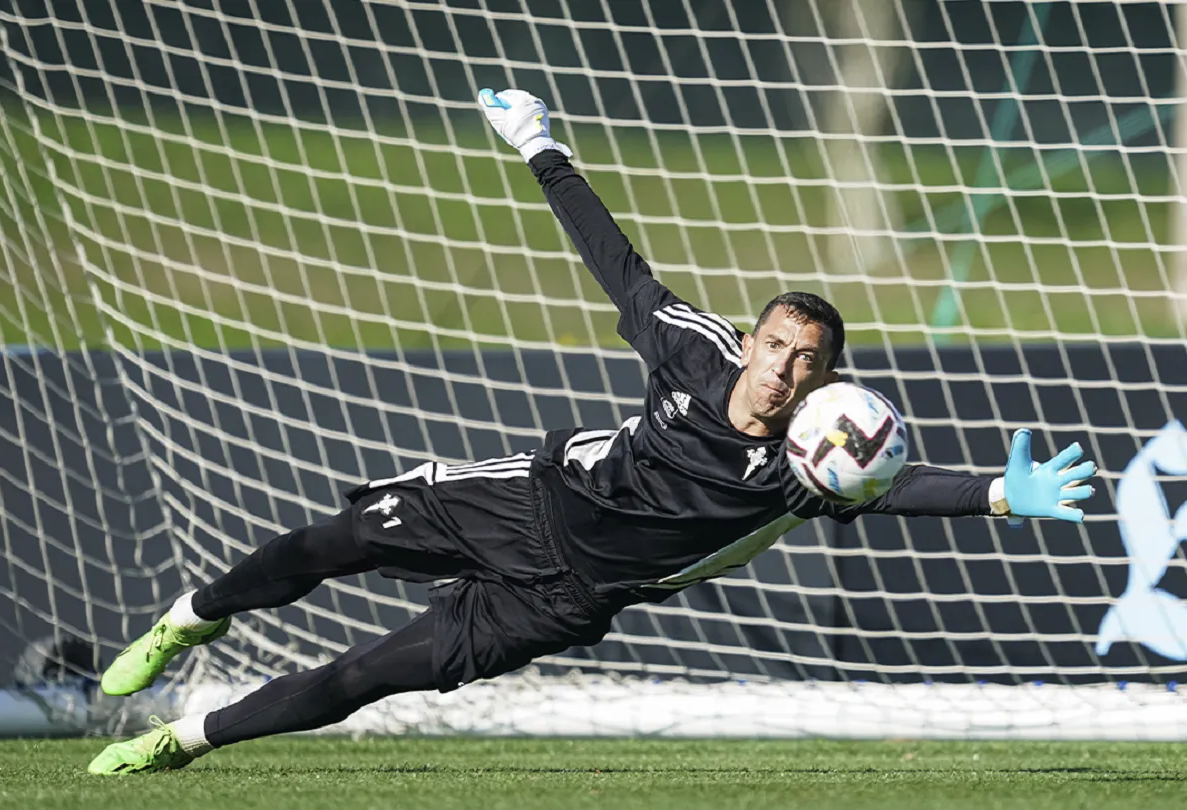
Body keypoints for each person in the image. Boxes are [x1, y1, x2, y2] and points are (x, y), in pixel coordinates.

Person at [87, 89, 1097, 774]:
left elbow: (891, 491)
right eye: (777, 346)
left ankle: (183, 742)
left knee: (364, 676)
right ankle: (191, 617)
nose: (785, 370)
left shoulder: (807, 463)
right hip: (526, 502)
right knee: (333, 542)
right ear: (751, 341)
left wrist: (1003, 494)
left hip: (572, 598)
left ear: (826, 378)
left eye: (807, 362)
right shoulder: (692, 350)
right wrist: (539, 144)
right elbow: (614, 260)